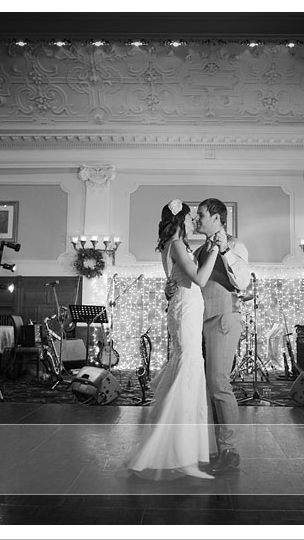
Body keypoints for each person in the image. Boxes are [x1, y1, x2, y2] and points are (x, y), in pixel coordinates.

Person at [126, 199, 221, 480]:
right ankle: (182, 457)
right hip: (186, 310)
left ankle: (183, 453)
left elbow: (182, 279)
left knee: (188, 371)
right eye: (190, 217)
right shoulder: (177, 245)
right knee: (187, 372)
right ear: (180, 220)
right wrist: (215, 249)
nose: (193, 222)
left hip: (186, 308)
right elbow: (200, 279)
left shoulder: (176, 245)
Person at [191, 198, 251, 475]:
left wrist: (224, 248)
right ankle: (218, 448)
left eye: (201, 215)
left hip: (223, 319)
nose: (196, 219)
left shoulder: (235, 245)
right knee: (209, 387)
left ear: (216, 217)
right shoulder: (201, 249)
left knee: (219, 383)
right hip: (202, 322)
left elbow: (241, 281)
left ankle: (231, 451)